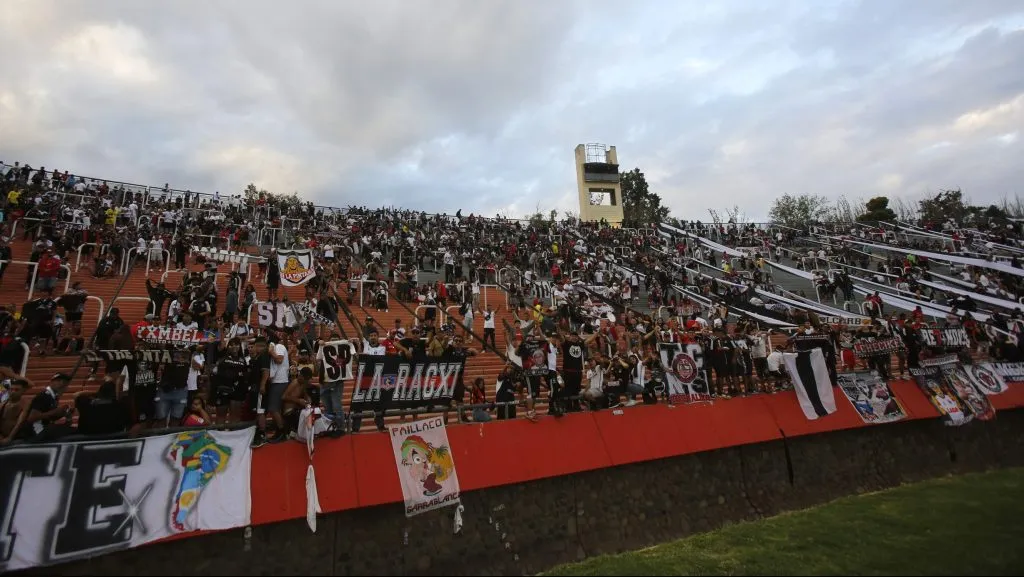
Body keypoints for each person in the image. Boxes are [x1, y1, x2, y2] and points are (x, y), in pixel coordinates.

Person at [25, 373, 74, 441]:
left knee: (70, 430)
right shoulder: (44, 396)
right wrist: (54, 412)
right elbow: (31, 418)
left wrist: (65, 414)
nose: (61, 384)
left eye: (64, 382)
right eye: (59, 381)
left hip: (45, 428)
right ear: (51, 382)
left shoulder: (53, 397)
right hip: (37, 431)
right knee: (73, 432)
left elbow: (49, 417)